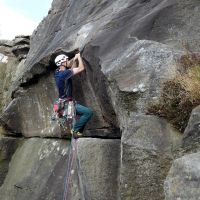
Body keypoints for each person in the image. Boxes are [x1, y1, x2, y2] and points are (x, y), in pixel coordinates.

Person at [54, 52, 93, 138]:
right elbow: (81, 68)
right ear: (63, 63)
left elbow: (70, 71)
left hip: (62, 103)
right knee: (88, 112)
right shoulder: (64, 74)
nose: (68, 62)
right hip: (67, 103)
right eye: (67, 60)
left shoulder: (57, 72)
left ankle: (76, 131)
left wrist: (74, 60)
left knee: (80, 115)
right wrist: (78, 57)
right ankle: (75, 130)